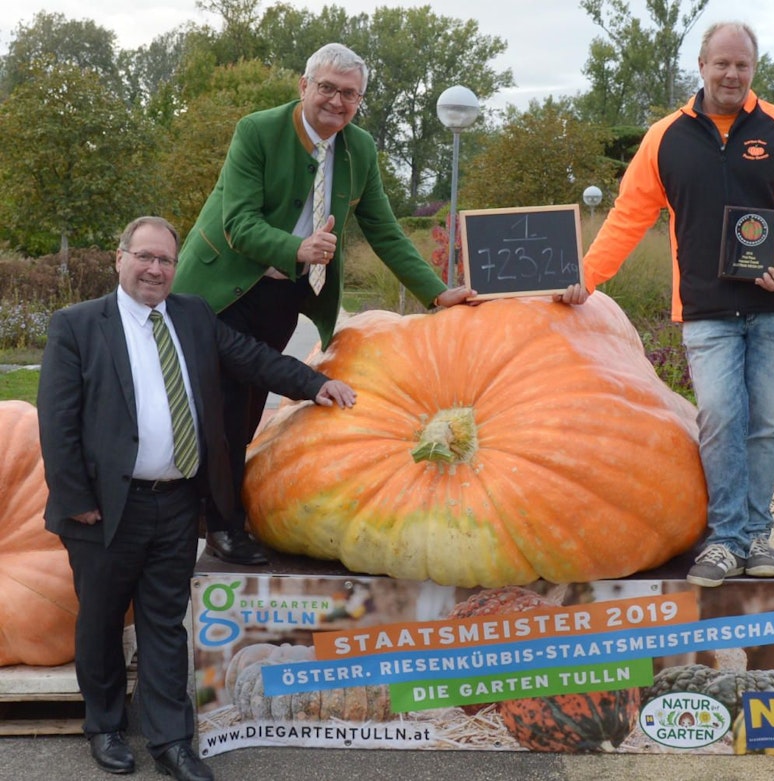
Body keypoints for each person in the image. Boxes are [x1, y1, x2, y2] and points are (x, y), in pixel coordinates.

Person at [37, 216, 357, 781]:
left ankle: (171, 741)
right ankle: (106, 727)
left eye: (165, 260)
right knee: (102, 621)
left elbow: (255, 358)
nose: (155, 269)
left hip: (178, 502)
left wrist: (313, 384)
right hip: (105, 509)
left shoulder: (192, 316)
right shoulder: (78, 325)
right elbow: (57, 422)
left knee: (165, 622)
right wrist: (76, 498)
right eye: (145, 257)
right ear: (120, 258)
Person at [173, 42, 473, 565]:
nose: (337, 101)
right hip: (221, 290)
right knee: (220, 406)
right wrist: (298, 248)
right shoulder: (257, 131)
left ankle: (211, 507)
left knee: (245, 410)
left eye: (350, 94)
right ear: (304, 87)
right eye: (328, 88)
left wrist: (436, 291)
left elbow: (383, 229)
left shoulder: (360, 149)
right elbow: (237, 221)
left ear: (360, 101)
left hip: (282, 294)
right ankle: (223, 527)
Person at [560, 21, 774, 587]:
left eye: (742, 65)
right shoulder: (666, 137)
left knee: (763, 423)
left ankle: (756, 535)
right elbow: (629, 214)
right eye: (722, 64)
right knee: (719, 419)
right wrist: (586, 277)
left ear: (754, 69)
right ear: (703, 66)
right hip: (706, 312)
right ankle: (726, 536)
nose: (732, 74)